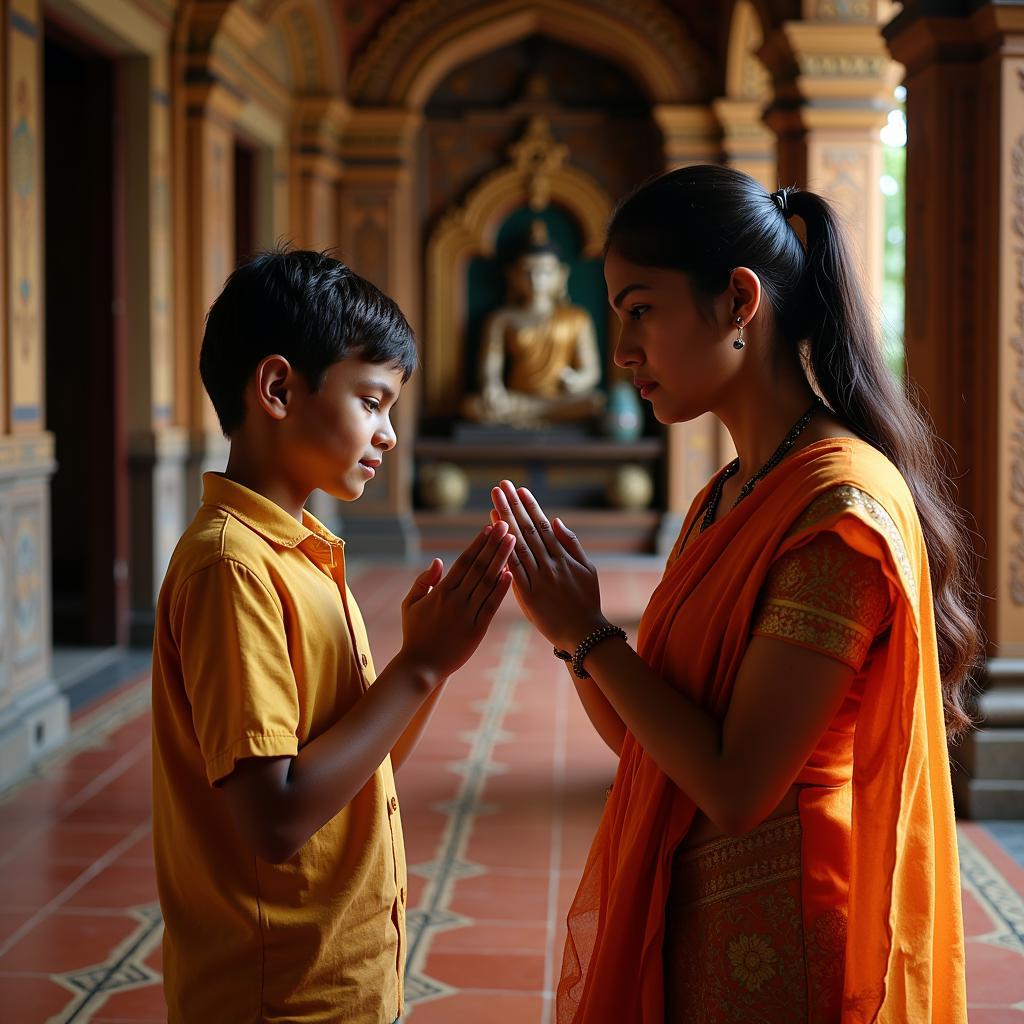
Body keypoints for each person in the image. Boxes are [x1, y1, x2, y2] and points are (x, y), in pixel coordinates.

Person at [489, 165, 977, 1023]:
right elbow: (651, 739)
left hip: (790, 930)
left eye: (640, 308)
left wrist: (594, 635)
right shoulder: (731, 492)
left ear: (738, 301)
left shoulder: (838, 512)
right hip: (696, 914)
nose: (620, 350)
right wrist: (570, 639)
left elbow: (737, 784)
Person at [151, 249, 515, 1024]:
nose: (387, 434)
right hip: (278, 991)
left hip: (342, 969)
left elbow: (356, 769)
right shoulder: (233, 569)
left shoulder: (306, 551)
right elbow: (276, 820)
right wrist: (416, 667)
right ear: (279, 388)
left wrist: (433, 665)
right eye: (373, 402)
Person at [462, 219, 605, 427]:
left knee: (597, 402)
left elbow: (591, 370)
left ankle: (535, 416)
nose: (536, 279)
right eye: (527, 271)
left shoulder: (577, 317)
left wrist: (577, 381)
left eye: (546, 271)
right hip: (517, 399)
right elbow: (490, 365)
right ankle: (537, 416)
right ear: (512, 275)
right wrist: (492, 386)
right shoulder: (502, 318)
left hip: (562, 399)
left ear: (561, 274)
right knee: (473, 406)